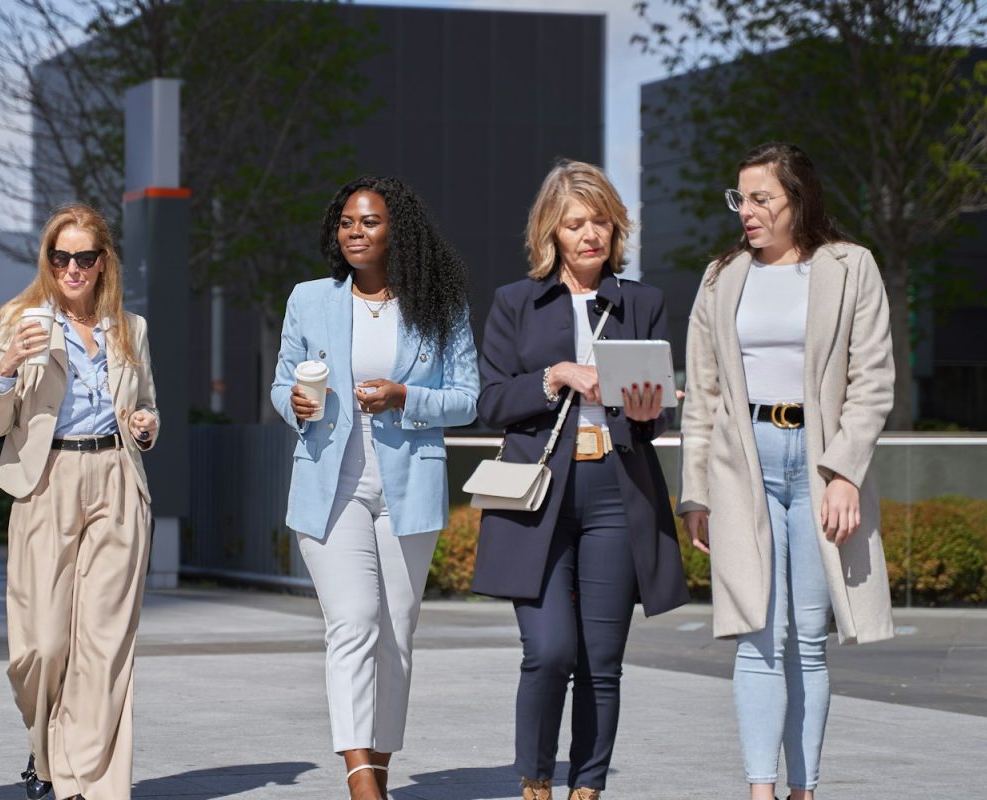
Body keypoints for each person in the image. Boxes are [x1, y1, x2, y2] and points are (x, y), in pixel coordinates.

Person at [679, 141, 896, 800]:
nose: (745, 211)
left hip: (819, 461)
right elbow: (705, 390)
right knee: (755, 630)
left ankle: (804, 790)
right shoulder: (721, 277)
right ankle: (760, 791)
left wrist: (844, 472)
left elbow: (873, 380)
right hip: (742, 465)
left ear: (796, 199)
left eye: (760, 198)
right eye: (739, 198)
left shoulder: (851, 267)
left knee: (805, 638)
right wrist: (695, 492)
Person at [472, 160, 689, 800]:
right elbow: (489, 402)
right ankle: (536, 780)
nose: (589, 234)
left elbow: (652, 416)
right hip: (538, 494)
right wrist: (555, 376)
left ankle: (587, 788)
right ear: (551, 231)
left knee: (602, 662)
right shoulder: (516, 302)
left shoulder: (642, 301)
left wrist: (652, 409)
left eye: (599, 221)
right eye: (574, 223)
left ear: (615, 227)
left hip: (617, 489)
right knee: (549, 651)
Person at [270, 175, 478, 800]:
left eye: (370, 222)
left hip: (408, 487)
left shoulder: (439, 305)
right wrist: (297, 406)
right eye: (346, 223)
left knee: (397, 629)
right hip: (331, 486)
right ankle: (361, 780)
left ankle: (379, 769)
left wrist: (405, 396)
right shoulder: (309, 299)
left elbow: (469, 399)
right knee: (355, 621)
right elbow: (282, 385)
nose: (355, 233)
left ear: (398, 231)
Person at [0, 202, 158, 800]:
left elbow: (147, 407)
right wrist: (5, 368)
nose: (72, 268)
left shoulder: (131, 329)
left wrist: (145, 422)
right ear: (48, 262)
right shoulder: (20, 322)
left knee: (104, 645)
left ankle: (92, 785)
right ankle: (46, 757)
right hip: (45, 480)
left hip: (116, 479)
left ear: (103, 262)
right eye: (61, 258)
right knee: (42, 644)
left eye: (84, 257)